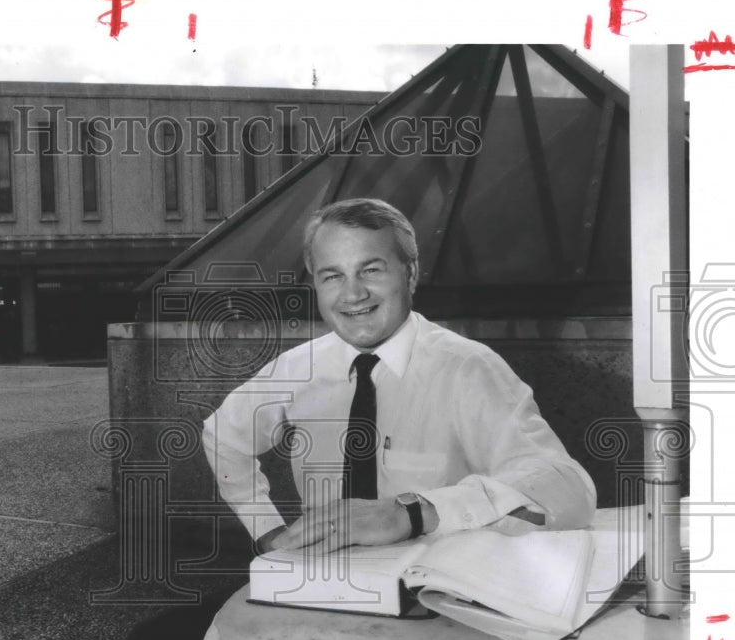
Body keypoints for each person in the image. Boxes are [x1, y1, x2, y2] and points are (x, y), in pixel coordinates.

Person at [202, 197, 596, 555]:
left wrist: (414, 514)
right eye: (332, 276)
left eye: (370, 270)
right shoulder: (295, 369)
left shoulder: (469, 368)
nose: (353, 294)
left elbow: (568, 489)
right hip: (323, 581)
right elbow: (221, 435)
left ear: (410, 275)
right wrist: (265, 529)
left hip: (437, 594)